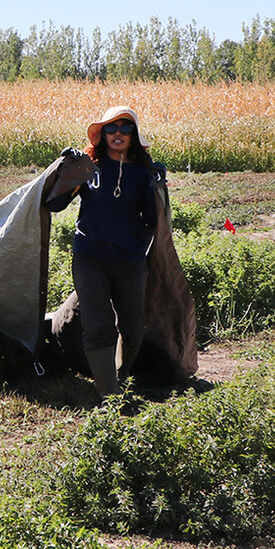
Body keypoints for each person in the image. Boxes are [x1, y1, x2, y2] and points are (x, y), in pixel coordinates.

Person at [50, 106, 165, 397]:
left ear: (134, 135)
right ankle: (109, 397)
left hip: (130, 258)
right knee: (98, 324)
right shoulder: (89, 166)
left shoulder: (142, 171)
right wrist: (64, 171)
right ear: (102, 134)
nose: (118, 134)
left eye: (125, 128)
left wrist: (157, 187)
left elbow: (152, 221)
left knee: (133, 327)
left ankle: (122, 375)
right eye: (111, 128)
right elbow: (55, 204)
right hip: (90, 255)